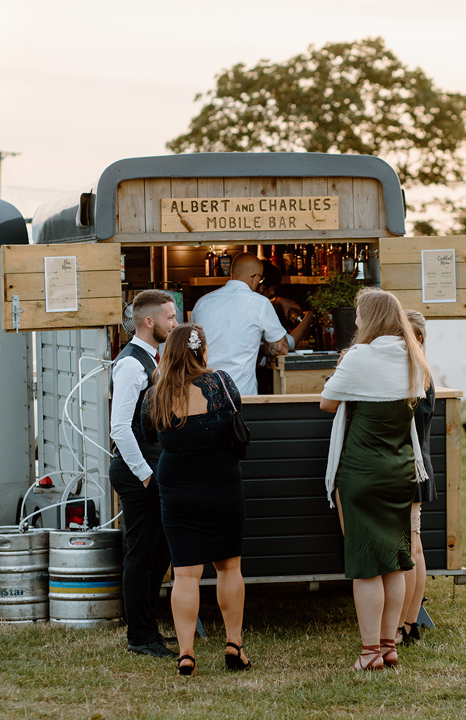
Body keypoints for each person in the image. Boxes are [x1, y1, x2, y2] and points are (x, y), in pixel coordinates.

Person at [319, 287, 431, 671]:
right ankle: (389, 645)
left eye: (358, 314)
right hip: (401, 468)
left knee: (367, 562)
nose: (356, 321)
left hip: (362, 469)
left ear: (369, 318)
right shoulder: (413, 357)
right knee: (396, 560)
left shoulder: (359, 357)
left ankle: (369, 654)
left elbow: (327, 402)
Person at [142, 323, 251, 676]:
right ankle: (234, 644)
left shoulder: (155, 393)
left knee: (185, 574)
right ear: (201, 350)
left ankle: (186, 653)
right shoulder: (220, 383)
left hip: (177, 488)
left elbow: (146, 432)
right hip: (222, 482)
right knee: (229, 567)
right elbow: (237, 416)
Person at [108, 290, 177, 658]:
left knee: (158, 555)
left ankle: (150, 629)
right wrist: (146, 475)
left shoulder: (152, 358)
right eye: (170, 317)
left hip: (150, 471)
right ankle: (140, 636)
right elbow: (119, 428)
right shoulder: (132, 364)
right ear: (149, 322)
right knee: (141, 555)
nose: (175, 323)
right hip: (138, 473)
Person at [190, 252, 313, 395]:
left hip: (204, 394)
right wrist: (257, 347)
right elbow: (281, 347)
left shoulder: (202, 303)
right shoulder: (259, 303)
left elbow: (192, 347)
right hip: (240, 394)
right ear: (255, 278)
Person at [396, 309, 438, 647]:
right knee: (414, 544)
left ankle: (407, 621)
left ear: (418, 338)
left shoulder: (415, 373)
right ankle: (409, 621)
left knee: (412, 546)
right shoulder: (415, 370)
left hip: (411, 467)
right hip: (415, 464)